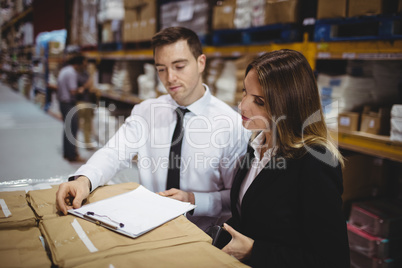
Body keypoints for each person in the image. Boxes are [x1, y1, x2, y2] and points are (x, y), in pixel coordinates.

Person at [56, 27, 249, 231]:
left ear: (201, 63)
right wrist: (84, 180)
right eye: (161, 69)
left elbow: (236, 197)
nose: (170, 78)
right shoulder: (146, 111)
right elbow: (114, 152)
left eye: (179, 66)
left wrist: (195, 200)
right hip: (149, 227)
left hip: (202, 234)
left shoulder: (231, 125)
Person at [221, 49, 350, 267]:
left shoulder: (315, 161)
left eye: (259, 101)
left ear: (288, 105)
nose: (242, 106)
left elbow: (332, 260)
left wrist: (255, 251)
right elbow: (248, 217)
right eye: (245, 92)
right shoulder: (256, 144)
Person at [57, 54, 87, 162]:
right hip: (68, 103)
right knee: (73, 129)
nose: (85, 66)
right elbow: (73, 90)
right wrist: (83, 89)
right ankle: (72, 155)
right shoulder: (72, 73)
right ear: (79, 63)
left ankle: (67, 153)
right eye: (84, 63)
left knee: (67, 128)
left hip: (62, 102)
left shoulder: (65, 70)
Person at [76, 59, 97, 150]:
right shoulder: (79, 75)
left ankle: (87, 143)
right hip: (81, 102)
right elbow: (82, 88)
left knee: (87, 124)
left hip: (87, 102)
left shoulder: (86, 74)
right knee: (79, 124)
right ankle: (76, 144)